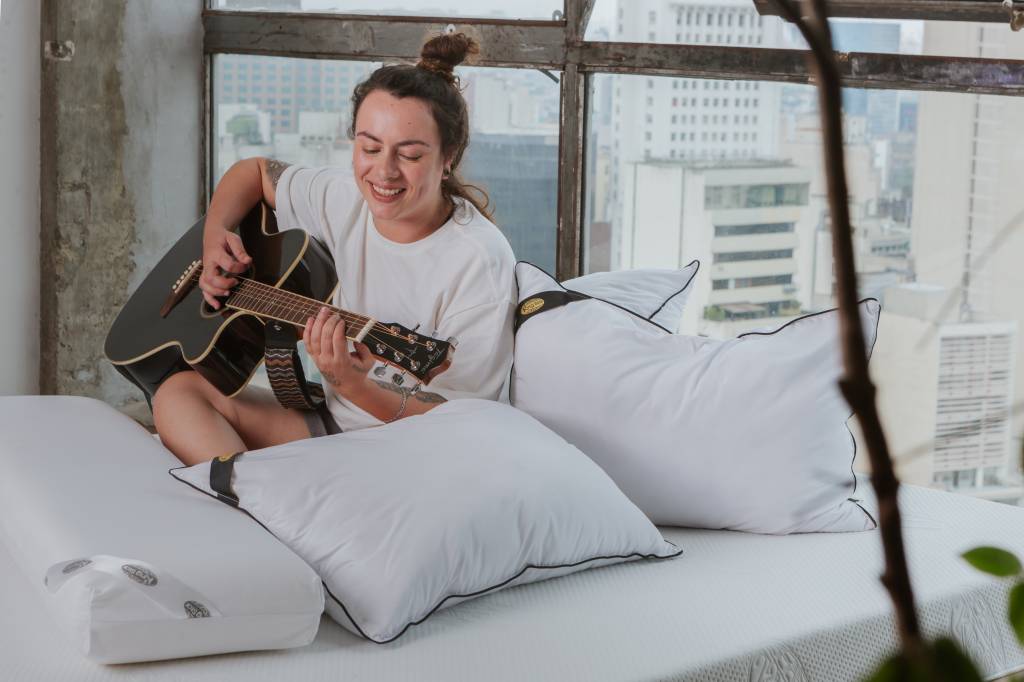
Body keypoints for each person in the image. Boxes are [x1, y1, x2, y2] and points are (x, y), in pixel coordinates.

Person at [153, 33, 517, 466]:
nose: (383, 171)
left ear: (448, 156)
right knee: (178, 392)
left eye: (410, 155)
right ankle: (254, 498)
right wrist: (216, 236)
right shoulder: (344, 197)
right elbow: (252, 173)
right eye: (369, 147)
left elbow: (459, 426)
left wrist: (353, 384)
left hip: (412, 453)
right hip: (334, 426)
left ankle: (259, 497)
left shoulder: (478, 262)